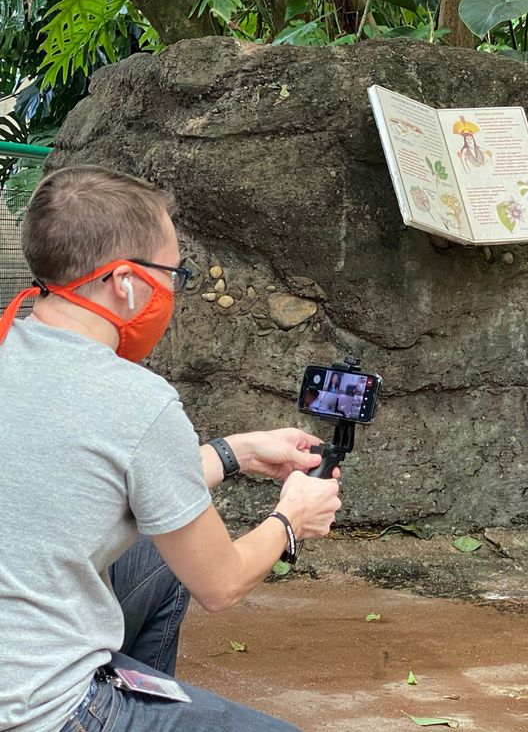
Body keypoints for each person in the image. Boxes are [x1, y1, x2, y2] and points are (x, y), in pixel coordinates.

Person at [0, 165, 343, 732]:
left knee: (154, 553)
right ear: (126, 283)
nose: (170, 291)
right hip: (38, 710)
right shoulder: (135, 398)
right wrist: (291, 520)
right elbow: (221, 583)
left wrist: (236, 453)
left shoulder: (12, 342)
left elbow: (87, 484)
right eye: (171, 273)